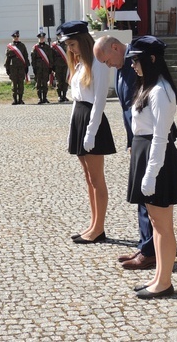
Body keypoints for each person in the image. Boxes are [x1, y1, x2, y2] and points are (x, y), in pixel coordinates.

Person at [125, 36, 177, 299]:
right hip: (148, 156)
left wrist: (150, 174)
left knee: (162, 225)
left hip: (157, 160)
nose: (132, 66)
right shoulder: (150, 87)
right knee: (156, 223)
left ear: (151, 60)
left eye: (136, 60)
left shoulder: (161, 91)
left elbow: (161, 137)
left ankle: (164, 282)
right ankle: (159, 277)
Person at [93, 34, 156, 270]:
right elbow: (126, 110)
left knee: (148, 197)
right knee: (142, 196)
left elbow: (142, 105)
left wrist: (139, 139)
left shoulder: (136, 63)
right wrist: (130, 141)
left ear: (116, 48)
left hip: (148, 137)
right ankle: (147, 244)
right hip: (138, 139)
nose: (107, 66)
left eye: (107, 60)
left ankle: (151, 250)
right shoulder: (122, 64)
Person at [60, 20, 116, 244]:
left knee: (97, 178)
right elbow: (76, 99)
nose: (70, 49)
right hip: (80, 118)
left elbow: (100, 100)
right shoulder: (81, 63)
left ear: (83, 41)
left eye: (73, 44)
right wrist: (71, 128)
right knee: (88, 178)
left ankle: (99, 228)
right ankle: (93, 224)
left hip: (93, 120)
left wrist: (91, 133)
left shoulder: (98, 63)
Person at [4, 30, 29, 105]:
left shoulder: (22, 46)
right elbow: (7, 58)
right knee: (14, 84)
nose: (16, 38)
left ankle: (20, 99)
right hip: (13, 68)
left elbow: (25, 56)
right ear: (12, 37)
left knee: (21, 84)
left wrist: (26, 66)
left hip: (21, 67)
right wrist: (7, 68)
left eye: (17, 36)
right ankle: (15, 99)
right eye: (15, 36)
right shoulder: (9, 46)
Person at [31, 31, 53, 104]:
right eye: (40, 38)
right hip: (38, 68)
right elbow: (33, 59)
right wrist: (34, 68)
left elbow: (50, 58)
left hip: (45, 68)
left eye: (43, 38)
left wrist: (50, 67)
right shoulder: (35, 47)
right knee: (39, 84)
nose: (42, 39)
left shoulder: (47, 47)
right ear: (38, 39)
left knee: (45, 83)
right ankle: (40, 98)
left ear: (45, 38)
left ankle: (45, 97)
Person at [51, 29, 69, 102]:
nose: (60, 36)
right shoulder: (54, 46)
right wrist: (53, 67)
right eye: (59, 35)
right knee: (59, 81)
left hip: (65, 65)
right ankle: (59, 96)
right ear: (57, 36)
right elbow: (51, 57)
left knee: (65, 81)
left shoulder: (67, 44)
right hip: (57, 65)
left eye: (61, 35)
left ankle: (64, 95)